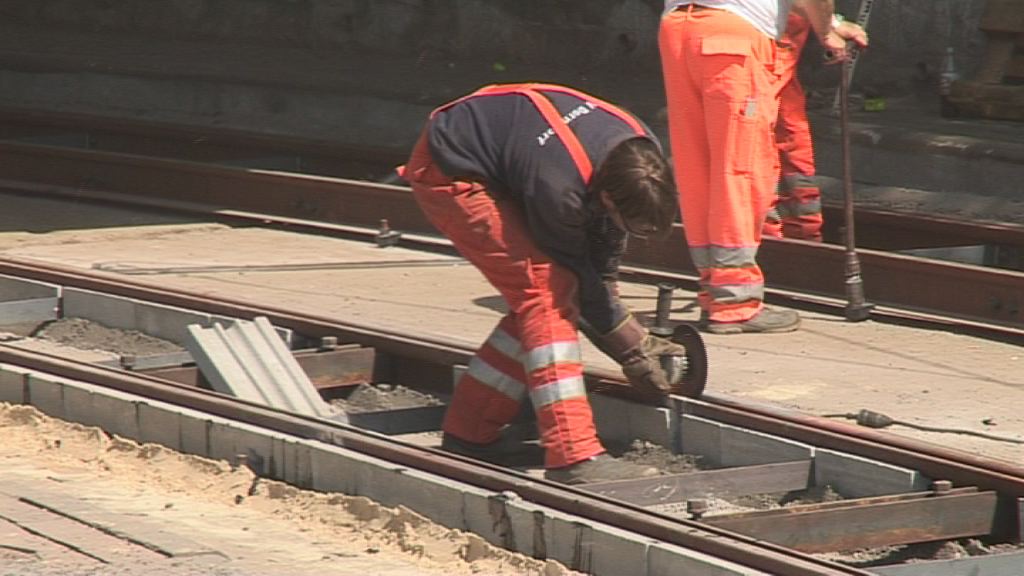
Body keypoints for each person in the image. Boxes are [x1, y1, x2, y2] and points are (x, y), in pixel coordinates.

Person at [398, 83, 687, 484]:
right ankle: (574, 457)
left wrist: (623, 326)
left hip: (512, 148)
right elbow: (577, 274)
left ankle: (469, 432)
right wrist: (632, 348)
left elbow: (602, 252)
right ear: (606, 197)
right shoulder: (559, 186)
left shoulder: (640, 149)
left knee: (542, 301)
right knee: (547, 294)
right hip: (452, 168)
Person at [658, 0, 869, 334]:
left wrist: (831, 21)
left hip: (679, 29)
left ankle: (714, 289)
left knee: (697, 168)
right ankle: (734, 303)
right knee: (741, 169)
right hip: (734, 40)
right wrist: (826, 28)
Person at [764, 11, 869, 242]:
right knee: (758, 149)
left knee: (788, 142)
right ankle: (776, 239)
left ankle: (799, 237)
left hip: (770, 53)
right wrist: (827, 26)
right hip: (753, 50)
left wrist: (827, 24)